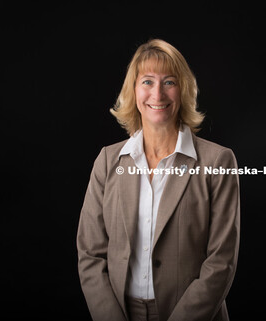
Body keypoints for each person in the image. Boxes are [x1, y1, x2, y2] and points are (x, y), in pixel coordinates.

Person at [77, 39, 240, 321]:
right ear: (133, 91)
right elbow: (90, 254)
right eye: (148, 81)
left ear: (183, 90)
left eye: (169, 82)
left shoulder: (218, 162)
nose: (157, 93)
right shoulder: (107, 161)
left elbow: (221, 261)